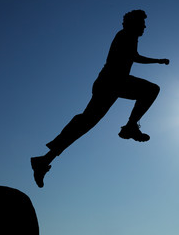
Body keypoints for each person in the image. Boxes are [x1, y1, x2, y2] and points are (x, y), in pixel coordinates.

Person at [31, 10, 170, 187]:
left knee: (86, 122)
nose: (145, 27)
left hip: (112, 83)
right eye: (142, 23)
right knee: (150, 90)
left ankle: (43, 161)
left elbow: (133, 56)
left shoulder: (129, 37)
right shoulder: (125, 35)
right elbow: (134, 57)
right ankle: (130, 127)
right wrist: (157, 60)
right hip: (111, 82)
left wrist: (157, 61)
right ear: (133, 24)